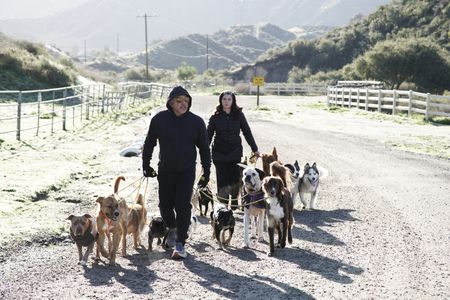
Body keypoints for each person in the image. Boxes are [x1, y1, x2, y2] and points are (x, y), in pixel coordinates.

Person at [142, 86, 211, 259]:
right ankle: (173, 227)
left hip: (186, 171)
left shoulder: (196, 122)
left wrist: (206, 171)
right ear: (170, 102)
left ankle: (180, 243)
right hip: (165, 170)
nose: (183, 104)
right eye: (179, 101)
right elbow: (150, 142)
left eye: (186, 101)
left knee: (182, 206)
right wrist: (146, 164)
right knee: (164, 207)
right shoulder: (159, 119)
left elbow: (204, 148)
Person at [207, 91, 260, 210]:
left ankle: (234, 200)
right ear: (220, 101)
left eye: (229, 99)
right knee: (222, 180)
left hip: (234, 152)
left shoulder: (239, 115)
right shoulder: (215, 117)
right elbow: (208, 135)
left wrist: (254, 149)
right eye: (224, 99)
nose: (226, 102)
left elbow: (247, 132)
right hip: (219, 153)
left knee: (234, 179)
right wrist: (204, 150)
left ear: (233, 101)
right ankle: (223, 206)